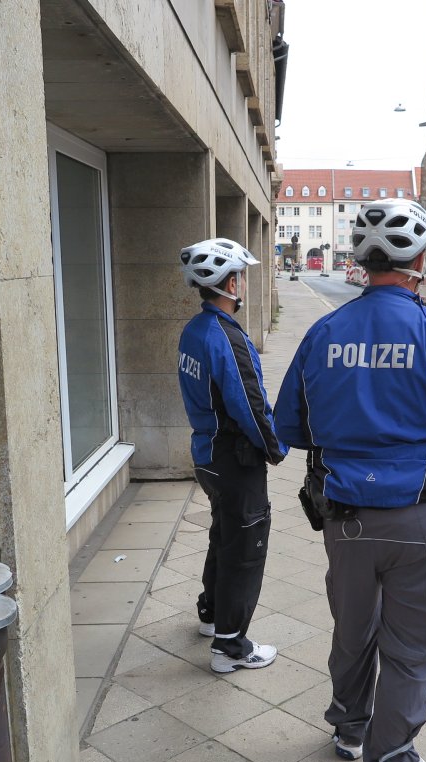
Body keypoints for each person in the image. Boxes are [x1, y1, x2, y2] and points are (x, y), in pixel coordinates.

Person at [273, 199, 426, 762]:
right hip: (418, 518)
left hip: (342, 517)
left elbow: (286, 426)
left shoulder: (324, 331)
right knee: (412, 645)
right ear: (421, 260)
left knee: (353, 627)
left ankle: (349, 728)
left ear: (360, 259)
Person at [177, 238, 287, 673]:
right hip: (233, 459)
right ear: (230, 282)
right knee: (245, 545)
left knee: (223, 533)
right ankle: (230, 647)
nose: (243, 282)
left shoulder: (194, 330)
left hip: (206, 454)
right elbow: (250, 403)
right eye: (241, 276)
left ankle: (212, 615)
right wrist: (275, 448)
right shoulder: (226, 337)